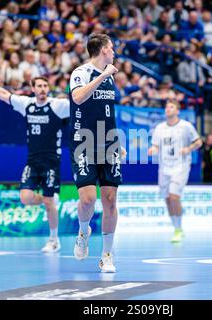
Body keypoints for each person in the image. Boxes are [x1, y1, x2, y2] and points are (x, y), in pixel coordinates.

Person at [0, 67, 69, 253]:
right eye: (39, 86)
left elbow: (79, 104)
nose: (43, 89)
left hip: (51, 162)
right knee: (26, 197)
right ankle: (49, 201)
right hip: (33, 161)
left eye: (45, 86)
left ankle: (54, 239)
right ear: (32, 88)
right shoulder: (27, 104)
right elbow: (4, 94)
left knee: (48, 202)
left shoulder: (57, 105)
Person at [69, 33, 122, 273]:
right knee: (88, 199)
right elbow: (78, 98)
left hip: (108, 144)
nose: (114, 51)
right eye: (111, 47)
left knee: (110, 200)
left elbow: (108, 112)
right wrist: (103, 75)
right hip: (84, 143)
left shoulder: (111, 78)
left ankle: (107, 255)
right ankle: (83, 231)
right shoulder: (81, 73)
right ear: (102, 50)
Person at [148, 100, 202, 243]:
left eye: (171, 107)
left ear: (177, 110)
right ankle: (176, 227)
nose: (168, 109)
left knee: (174, 196)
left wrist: (188, 149)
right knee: (167, 199)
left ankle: (179, 229)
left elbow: (198, 142)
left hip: (181, 166)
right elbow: (155, 145)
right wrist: (153, 150)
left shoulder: (186, 126)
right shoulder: (159, 128)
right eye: (166, 107)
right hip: (164, 166)